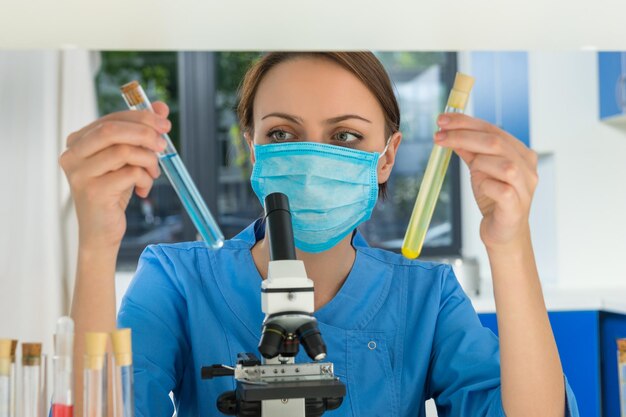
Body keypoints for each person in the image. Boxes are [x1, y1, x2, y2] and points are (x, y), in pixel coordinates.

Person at [60, 52, 579, 417]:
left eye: (345, 136)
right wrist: (95, 245)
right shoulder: (177, 280)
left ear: (387, 157)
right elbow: (104, 408)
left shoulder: (425, 296)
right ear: (252, 148)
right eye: (282, 134)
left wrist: (510, 245)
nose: (310, 160)